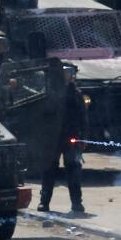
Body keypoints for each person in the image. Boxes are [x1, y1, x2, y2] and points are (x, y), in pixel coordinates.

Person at [39, 63, 87, 213]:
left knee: (74, 170)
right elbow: (42, 115)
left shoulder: (76, 94)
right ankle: (44, 202)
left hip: (71, 137)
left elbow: (83, 117)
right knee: (49, 170)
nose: (67, 75)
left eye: (69, 73)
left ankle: (77, 203)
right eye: (64, 72)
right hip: (53, 138)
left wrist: (83, 137)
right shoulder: (49, 92)